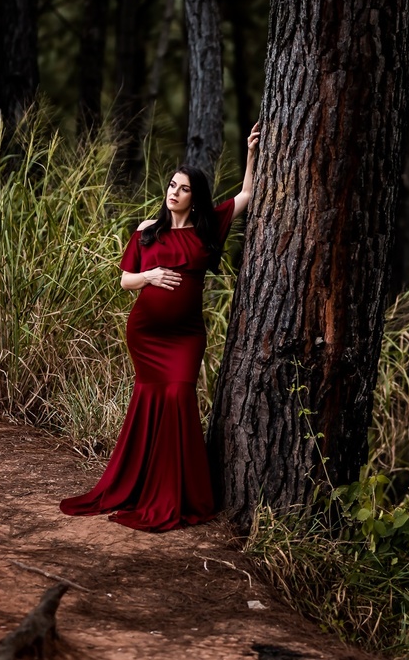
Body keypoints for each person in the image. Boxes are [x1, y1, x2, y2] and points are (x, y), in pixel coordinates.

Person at [60, 123, 260, 531]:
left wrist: (253, 154)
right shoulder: (147, 232)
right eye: (171, 185)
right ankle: (145, 485)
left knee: (179, 398)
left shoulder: (207, 228)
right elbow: (124, 280)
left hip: (186, 337)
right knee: (153, 401)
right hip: (147, 335)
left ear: (194, 196)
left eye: (183, 188)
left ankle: (179, 493)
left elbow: (247, 196)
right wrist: (150, 276)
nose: (174, 192)